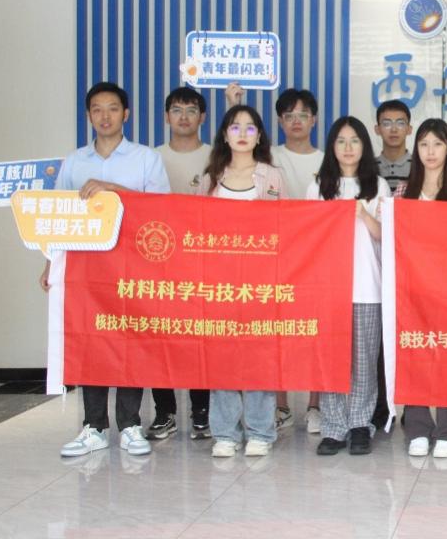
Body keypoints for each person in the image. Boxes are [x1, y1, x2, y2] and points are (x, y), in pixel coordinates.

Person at [50, 82, 171, 459]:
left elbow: (161, 211)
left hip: (133, 267)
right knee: (90, 342)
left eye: (113, 108)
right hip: (86, 269)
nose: (105, 116)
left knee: (131, 342)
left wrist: (111, 188)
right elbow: (57, 218)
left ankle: (130, 425)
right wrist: (50, 265)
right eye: (97, 109)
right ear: (89, 115)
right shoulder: (74, 162)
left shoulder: (146, 158)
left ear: (126, 114)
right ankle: (94, 427)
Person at [226, 82, 324, 432]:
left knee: (313, 332)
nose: (296, 121)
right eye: (289, 116)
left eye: (303, 115)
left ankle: (315, 405)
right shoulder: (269, 158)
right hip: (271, 259)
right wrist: (233, 103)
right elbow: (235, 148)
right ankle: (280, 406)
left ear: (314, 120)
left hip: (313, 256)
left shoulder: (325, 159)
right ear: (280, 122)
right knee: (276, 334)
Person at [197, 104, 287, 458]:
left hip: (260, 282)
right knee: (222, 358)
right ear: (224, 135)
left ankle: (261, 431)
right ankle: (225, 433)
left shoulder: (272, 177)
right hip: (219, 283)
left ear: (260, 136)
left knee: (259, 356)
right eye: (235, 127)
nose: (243, 134)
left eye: (250, 128)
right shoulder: (210, 178)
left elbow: (288, 225)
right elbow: (194, 227)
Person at [397, 119, 447, 459]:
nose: (430, 151)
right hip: (412, 288)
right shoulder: (403, 191)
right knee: (414, 355)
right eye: (424, 144)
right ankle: (417, 427)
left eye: (438, 144)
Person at [309, 117, 390, 456]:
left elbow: (386, 236)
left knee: (364, 361)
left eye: (354, 140)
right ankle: (333, 427)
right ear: (332, 146)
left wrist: (362, 213)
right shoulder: (318, 185)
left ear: (364, 146)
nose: (347, 147)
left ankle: (360, 424)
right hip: (329, 289)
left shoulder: (377, 185)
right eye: (341, 140)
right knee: (331, 360)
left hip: (368, 287)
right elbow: (308, 235)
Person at [150, 87, 211, 441]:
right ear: (166, 116)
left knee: (201, 338)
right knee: (161, 338)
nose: (184, 116)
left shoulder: (215, 156)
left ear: (202, 117)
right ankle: (165, 412)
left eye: (191, 110)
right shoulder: (152, 158)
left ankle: (202, 411)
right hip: (161, 262)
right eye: (177, 109)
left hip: (204, 262)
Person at [372, 99, 414, 430]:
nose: (394, 129)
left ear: (409, 128)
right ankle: (380, 408)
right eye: (387, 123)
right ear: (377, 129)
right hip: (378, 264)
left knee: (410, 338)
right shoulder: (367, 168)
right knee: (380, 341)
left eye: (400, 122)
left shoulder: (421, 166)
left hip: (413, 265)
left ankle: (412, 404)